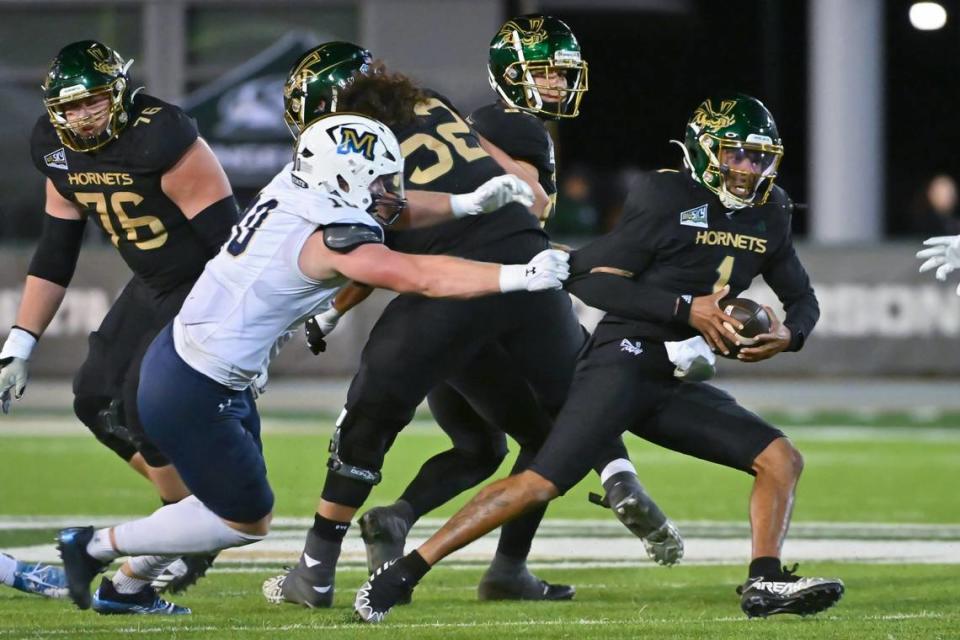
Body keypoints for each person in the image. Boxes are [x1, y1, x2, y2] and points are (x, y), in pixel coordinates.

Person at [352, 94, 846, 623]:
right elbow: (588, 276)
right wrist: (684, 309)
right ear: (704, 152)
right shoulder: (666, 195)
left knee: (780, 459)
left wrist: (791, 335)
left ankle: (764, 581)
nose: (748, 168)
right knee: (540, 482)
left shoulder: (771, 211)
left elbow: (802, 297)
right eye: (735, 154)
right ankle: (401, 574)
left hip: (674, 376)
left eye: (758, 157)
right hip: (624, 360)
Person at [52, 111, 570, 614]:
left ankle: (128, 587)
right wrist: (515, 276)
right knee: (244, 520)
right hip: (195, 385)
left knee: (221, 500)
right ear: (347, 180)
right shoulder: (331, 238)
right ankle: (92, 547)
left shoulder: (296, 184)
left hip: (193, 363)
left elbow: (394, 208)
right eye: (381, 182)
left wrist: (464, 203)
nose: (391, 192)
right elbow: (421, 276)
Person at [266, 42, 679, 610]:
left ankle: (315, 568)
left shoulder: (346, 140)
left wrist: (327, 307)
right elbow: (527, 195)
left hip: (453, 283)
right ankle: (600, 488)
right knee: (564, 419)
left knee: (370, 416)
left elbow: (379, 227)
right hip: (527, 270)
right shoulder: (433, 103)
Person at [0, 40, 240, 611]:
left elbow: (232, 249)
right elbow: (57, 250)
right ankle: (187, 522)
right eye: (70, 106)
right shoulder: (55, 149)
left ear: (121, 93)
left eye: (93, 102)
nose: (82, 117)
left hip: (203, 282)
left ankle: (188, 528)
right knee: (93, 400)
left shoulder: (163, 137)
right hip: (150, 283)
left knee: (143, 404)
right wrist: (21, 342)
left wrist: (245, 332)